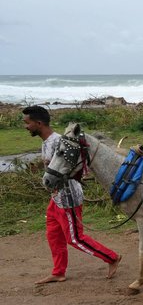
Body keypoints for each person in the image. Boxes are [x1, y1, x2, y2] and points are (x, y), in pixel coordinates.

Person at [22, 105, 122, 285]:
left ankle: (112, 257)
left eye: (27, 123)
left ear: (38, 123)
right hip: (56, 198)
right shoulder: (46, 142)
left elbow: (77, 170)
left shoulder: (61, 142)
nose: (25, 126)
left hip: (68, 197)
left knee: (75, 238)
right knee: (54, 235)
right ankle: (58, 272)